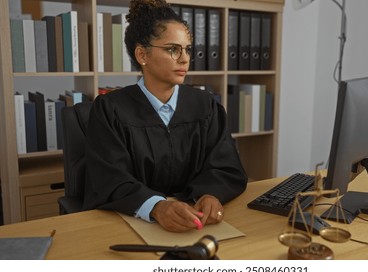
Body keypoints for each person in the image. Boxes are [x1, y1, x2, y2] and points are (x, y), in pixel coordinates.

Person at [82, 0, 247, 232]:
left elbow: (226, 166)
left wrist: (211, 194)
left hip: (196, 223)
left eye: (187, 49)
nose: (185, 59)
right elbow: (109, 179)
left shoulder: (205, 106)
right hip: (128, 225)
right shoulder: (111, 110)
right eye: (173, 49)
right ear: (142, 54)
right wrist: (156, 207)